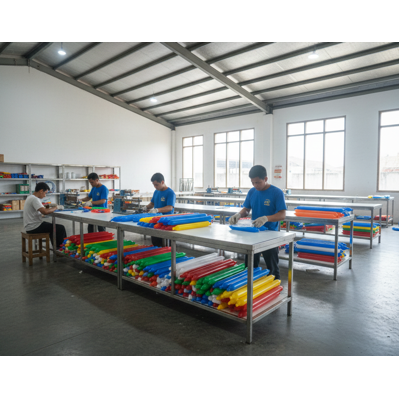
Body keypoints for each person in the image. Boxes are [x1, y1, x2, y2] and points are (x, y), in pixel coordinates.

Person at [228, 165, 287, 279]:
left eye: (258, 182)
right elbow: (246, 209)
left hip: (270, 235)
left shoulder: (277, 192)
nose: (255, 185)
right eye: (253, 183)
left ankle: (275, 285)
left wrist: (266, 218)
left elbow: (282, 214)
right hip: (254, 233)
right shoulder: (252, 192)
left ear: (266, 179)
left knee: (272, 268)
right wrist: (239, 214)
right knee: (250, 266)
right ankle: (250, 285)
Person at [23, 182, 66, 248]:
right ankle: (61, 249)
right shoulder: (35, 199)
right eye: (45, 193)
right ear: (41, 191)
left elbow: (41, 209)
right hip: (34, 227)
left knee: (53, 227)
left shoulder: (30, 197)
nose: (45, 195)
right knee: (60, 228)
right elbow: (45, 212)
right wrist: (56, 207)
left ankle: (56, 248)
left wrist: (49, 207)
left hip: (30, 226)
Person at [146, 173, 176, 247]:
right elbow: (152, 203)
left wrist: (157, 210)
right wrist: (146, 207)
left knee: (165, 245)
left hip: (166, 222)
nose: (155, 187)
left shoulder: (170, 193)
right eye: (154, 185)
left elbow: (170, 207)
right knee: (155, 242)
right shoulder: (156, 191)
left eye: (156, 185)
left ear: (162, 182)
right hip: (156, 221)